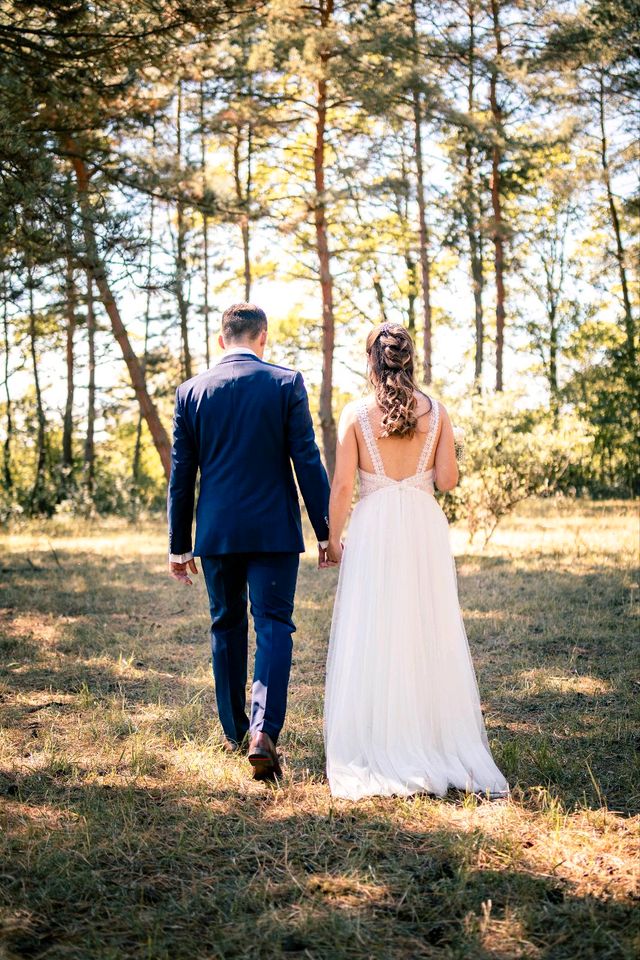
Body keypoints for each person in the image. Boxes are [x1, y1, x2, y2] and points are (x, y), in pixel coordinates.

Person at [323, 322, 509, 800]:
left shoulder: (355, 413)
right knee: (427, 627)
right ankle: (433, 739)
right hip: (423, 526)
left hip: (375, 524)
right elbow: (447, 480)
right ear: (410, 360)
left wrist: (332, 539)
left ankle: (383, 739)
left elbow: (343, 486)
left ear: (372, 361)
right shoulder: (438, 411)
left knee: (376, 627)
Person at [167, 303, 330, 780]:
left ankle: (236, 731)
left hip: (216, 533)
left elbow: (182, 476)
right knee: (274, 624)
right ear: (263, 338)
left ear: (222, 340)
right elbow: (307, 459)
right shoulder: (285, 382)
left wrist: (180, 544)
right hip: (274, 530)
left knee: (226, 625)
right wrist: (324, 530)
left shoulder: (190, 392)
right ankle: (265, 733)